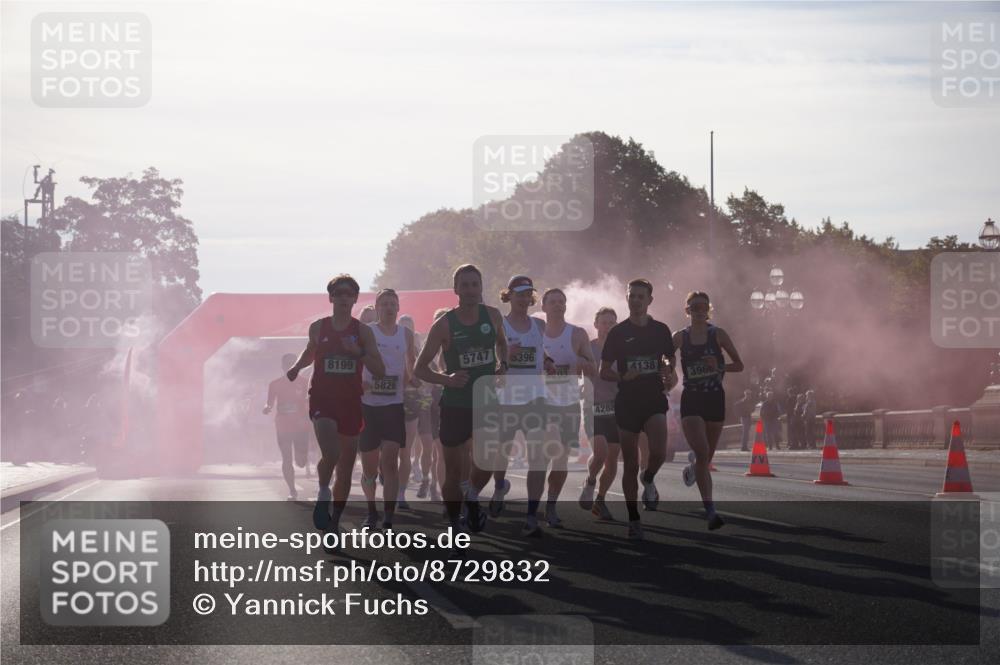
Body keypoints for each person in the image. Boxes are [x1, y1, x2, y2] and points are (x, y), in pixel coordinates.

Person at [287, 274, 385, 549]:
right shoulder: (318, 327)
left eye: (349, 294)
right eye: (339, 293)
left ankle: (334, 522)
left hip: (351, 402)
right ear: (331, 297)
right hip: (322, 398)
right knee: (331, 452)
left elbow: (379, 370)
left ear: (355, 299)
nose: (344, 298)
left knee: (345, 468)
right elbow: (309, 352)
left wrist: (357, 353)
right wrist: (296, 368)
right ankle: (322, 492)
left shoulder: (363, 332)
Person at [414, 265, 508, 537]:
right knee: (453, 473)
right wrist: (447, 379)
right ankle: (455, 525)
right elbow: (419, 369)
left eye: (474, 284)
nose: (469, 290)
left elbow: (502, 343)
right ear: (455, 290)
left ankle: (472, 497)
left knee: (488, 460)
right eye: (464, 285)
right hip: (455, 405)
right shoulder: (443, 324)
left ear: (481, 287)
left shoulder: (492, 315)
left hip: (486, 401)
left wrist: (504, 363)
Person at [599, 279, 678, 541]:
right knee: (630, 463)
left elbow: (669, 360)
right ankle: (634, 519)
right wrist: (623, 376)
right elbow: (604, 371)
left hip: (654, 398)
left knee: (658, 452)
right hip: (628, 402)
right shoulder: (618, 333)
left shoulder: (661, 330)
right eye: (631, 296)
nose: (635, 300)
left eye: (640, 296)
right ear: (627, 298)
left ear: (649, 300)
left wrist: (670, 372)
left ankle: (650, 478)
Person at [672, 291, 744, 530]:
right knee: (702, 452)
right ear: (687, 311)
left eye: (703, 306)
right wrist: (667, 368)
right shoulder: (680, 337)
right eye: (694, 307)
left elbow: (739, 365)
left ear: (708, 309)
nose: (699, 310)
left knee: (706, 458)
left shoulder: (718, 334)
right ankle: (710, 510)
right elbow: (663, 357)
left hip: (715, 398)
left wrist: (720, 365)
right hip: (692, 399)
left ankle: (694, 468)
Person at [533, 287, 595, 534]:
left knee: (560, 458)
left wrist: (580, 363)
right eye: (553, 302)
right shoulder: (535, 332)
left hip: (569, 405)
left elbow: (593, 367)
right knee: (547, 453)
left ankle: (551, 505)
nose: (558, 305)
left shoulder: (577, 334)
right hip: (541, 403)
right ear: (544, 306)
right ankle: (534, 505)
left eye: (562, 302)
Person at [359, 289, 417, 530]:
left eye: (393, 304)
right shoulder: (368, 331)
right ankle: (371, 509)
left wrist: (410, 382)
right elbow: (355, 359)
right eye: (384, 304)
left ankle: (388, 517)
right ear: (377, 307)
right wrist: (360, 383)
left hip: (393, 406)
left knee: (391, 461)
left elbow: (411, 366)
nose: (389, 308)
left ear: (398, 307)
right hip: (368, 406)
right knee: (370, 467)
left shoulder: (406, 334)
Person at [491, 275, 548, 521]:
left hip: (535, 398)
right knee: (502, 451)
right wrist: (505, 357)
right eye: (520, 294)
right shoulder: (500, 325)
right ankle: (499, 488)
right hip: (507, 397)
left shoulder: (539, 325)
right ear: (509, 295)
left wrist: (549, 362)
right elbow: (492, 362)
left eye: (528, 294)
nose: (525, 298)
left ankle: (532, 513)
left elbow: (540, 351)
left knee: (538, 456)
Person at [579, 307, 621, 521]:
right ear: (596, 325)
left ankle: (601, 500)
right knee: (601, 451)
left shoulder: (621, 350)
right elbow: (574, 370)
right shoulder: (588, 348)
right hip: (592, 406)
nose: (607, 327)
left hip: (616, 408)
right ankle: (590, 480)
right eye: (603, 322)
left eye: (611, 323)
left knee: (613, 457)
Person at [263, 353, 312, 500]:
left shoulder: (305, 382)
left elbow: (312, 398)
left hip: (301, 426)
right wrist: (267, 407)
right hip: (283, 425)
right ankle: (292, 490)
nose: (290, 366)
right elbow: (269, 402)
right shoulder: (275, 384)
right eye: (287, 364)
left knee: (301, 462)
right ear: (282, 366)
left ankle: (302, 459)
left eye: (293, 363)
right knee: (286, 458)